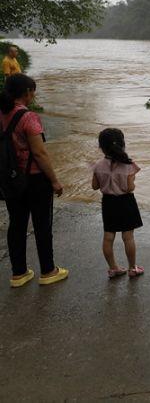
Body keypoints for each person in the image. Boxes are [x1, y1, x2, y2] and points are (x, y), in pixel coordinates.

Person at [1, 74, 67, 287]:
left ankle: (18, 274)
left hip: (10, 179)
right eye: (33, 92)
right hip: (35, 179)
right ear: (27, 92)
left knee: (17, 224)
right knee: (42, 225)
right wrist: (55, 181)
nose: (33, 97)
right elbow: (40, 153)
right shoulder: (29, 117)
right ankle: (48, 271)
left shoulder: (1, 113)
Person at [91, 128, 144, 278]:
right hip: (125, 202)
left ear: (101, 147)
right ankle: (132, 268)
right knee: (128, 237)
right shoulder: (128, 164)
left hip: (108, 203)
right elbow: (129, 188)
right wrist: (131, 182)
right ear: (122, 144)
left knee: (108, 237)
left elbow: (94, 186)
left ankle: (113, 268)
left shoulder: (98, 165)